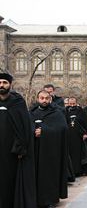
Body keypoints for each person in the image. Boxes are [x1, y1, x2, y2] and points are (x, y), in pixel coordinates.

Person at [0, 73, 36, 208]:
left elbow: (24, 127)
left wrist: (21, 147)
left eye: (4, 82)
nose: (1, 85)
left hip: (12, 151)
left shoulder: (18, 102)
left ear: (10, 84)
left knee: (11, 181)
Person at [30, 90, 68, 207]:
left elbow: (62, 129)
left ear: (50, 99)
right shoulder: (31, 113)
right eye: (42, 98)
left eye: (47, 98)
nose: (44, 100)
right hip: (34, 151)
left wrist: (44, 131)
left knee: (49, 176)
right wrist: (33, 131)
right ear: (38, 99)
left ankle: (49, 200)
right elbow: (24, 127)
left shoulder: (57, 113)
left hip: (50, 151)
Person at [65, 97, 87, 176]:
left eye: (73, 104)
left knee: (79, 153)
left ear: (76, 103)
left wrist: (85, 133)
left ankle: (79, 170)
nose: (72, 105)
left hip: (78, 135)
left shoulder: (80, 111)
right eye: (70, 104)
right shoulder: (65, 111)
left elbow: (85, 122)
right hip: (69, 135)